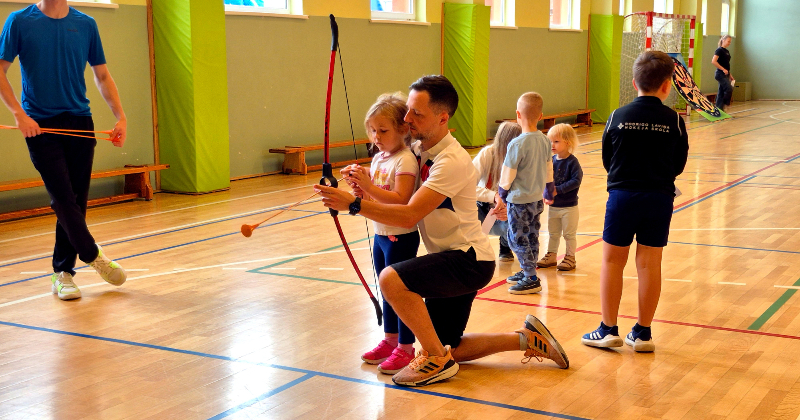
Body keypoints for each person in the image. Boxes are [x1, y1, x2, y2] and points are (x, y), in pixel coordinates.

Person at [316, 75, 568, 388]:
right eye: (408, 110)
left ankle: (436, 360)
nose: (407, 119)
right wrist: (365, 177)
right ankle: (526, 338)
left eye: (416, 114)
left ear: (442, 118)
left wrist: (353, 204)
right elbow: (395, 171)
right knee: (450, 346)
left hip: (467, 260)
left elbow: (410, 214)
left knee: (391, 279)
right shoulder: (419, 148)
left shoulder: (450, 160)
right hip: (452, 257)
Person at [0, 0, 128, 300]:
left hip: (80, 122)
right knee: (62, 197)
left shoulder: (86, 24)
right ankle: (92, 255)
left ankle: (63, 273)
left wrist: (120, 117)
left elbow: (102, 75)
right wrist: (20, 115)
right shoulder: (19, 21)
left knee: (76, 201)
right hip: (39, 126)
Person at [582, 51, 689, 353]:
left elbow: (608, 159)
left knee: (612, 261)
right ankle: (643, 333)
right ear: (667, 85)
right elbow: (679, 164)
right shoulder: (674, 120)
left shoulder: (617, 116)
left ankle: (607, 329)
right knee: (650, 264)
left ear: (634, 83)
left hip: (622, 197)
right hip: (659, 199)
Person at [343, 93, 420, 375]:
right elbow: (374, 199)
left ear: (403, 129)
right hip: (381, 234)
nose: (376, 136)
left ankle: (406, 347)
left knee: (400, 293)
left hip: (401, 236)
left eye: (383, 130)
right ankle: (390, 340)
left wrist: (369, 188)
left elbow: (401, 199)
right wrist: (360, 190)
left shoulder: (405, 160)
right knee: (385, 289)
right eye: (373, 130)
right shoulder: (377, 159)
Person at [498, 92, 556, 295]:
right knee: (532, 235)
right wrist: (549, 190)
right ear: (540, 116)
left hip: (519, 201)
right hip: (536, 200)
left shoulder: (517, 144)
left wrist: (501, 194)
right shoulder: (545, 141)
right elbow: (549, 169)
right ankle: (527, 270)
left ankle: (531, 277)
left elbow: (508, 173)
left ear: (517, 114)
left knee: (516, 238)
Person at [537, 124, 583, 271]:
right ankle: (551, 255)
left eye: (556, 141)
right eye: (550, 141)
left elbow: (576, 180)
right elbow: (545, 178)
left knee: (569, 234)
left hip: (569, 207)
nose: (552, 145)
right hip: (554, 207)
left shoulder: (572, 162)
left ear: (567, 142)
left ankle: (570, 257)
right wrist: (545, 193)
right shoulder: (551, 160)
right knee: (553, 233)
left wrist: (558, 190)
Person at [473, 121, 521, 263]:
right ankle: (472, 249)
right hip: (483, 207)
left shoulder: (522, 158)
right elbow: (465, 186)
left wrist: (511, 208)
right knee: (461, 211)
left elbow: (529, 193)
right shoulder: (487, 154)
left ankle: (505, 244)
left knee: (524, 216)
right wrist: (493, 196)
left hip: (507, 209)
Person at [711, 34, 734, 111]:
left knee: (721, 92)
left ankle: (719, 110)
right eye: (728, 41)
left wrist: (730, 75)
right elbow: (713, 61)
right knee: (728, 88)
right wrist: (723, 69)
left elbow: (726, 64)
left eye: (730, 42)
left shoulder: (726, 51)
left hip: (726, 74)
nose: (729, 43)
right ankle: (726, 103)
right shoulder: (719, 50)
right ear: (723, 40)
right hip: (720, 74)